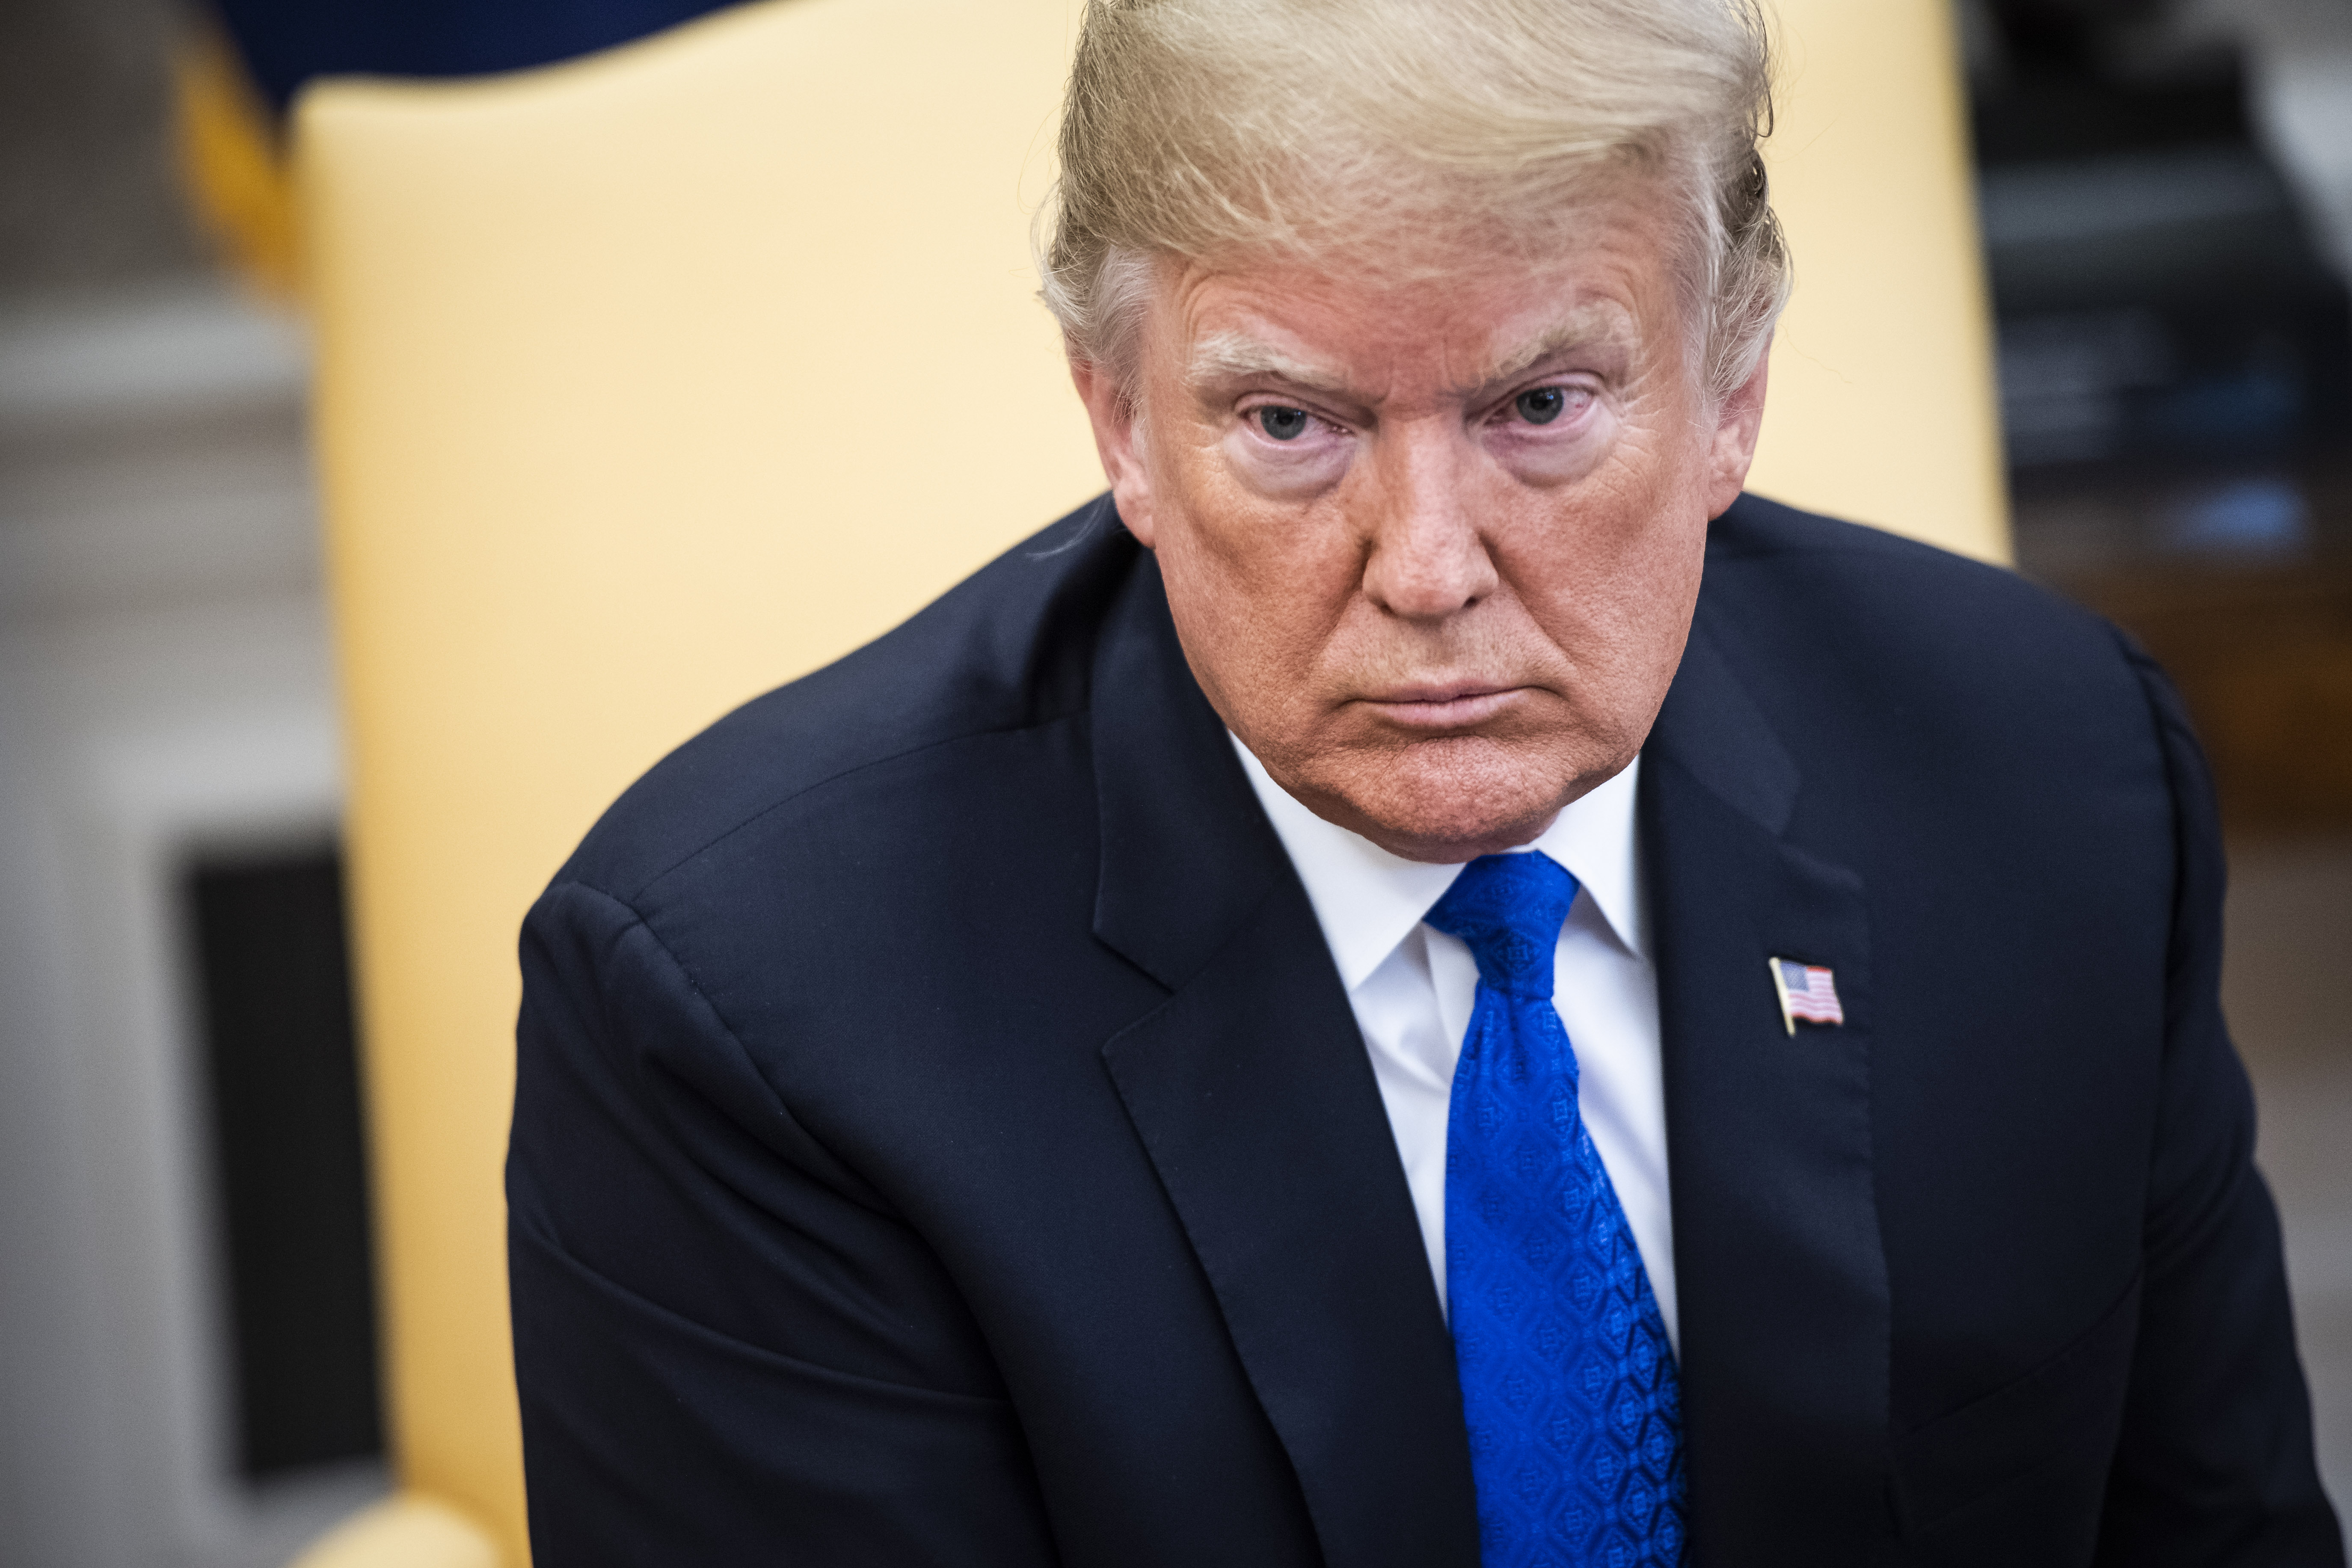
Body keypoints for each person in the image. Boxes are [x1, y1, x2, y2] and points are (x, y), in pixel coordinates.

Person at [506, 0, 2344, 1562]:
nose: (1427, 564)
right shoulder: (744, 1016)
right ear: (1117, 423)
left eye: (1539, 405)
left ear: (1730, 390)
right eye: (1291, 424)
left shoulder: (2048, 778)